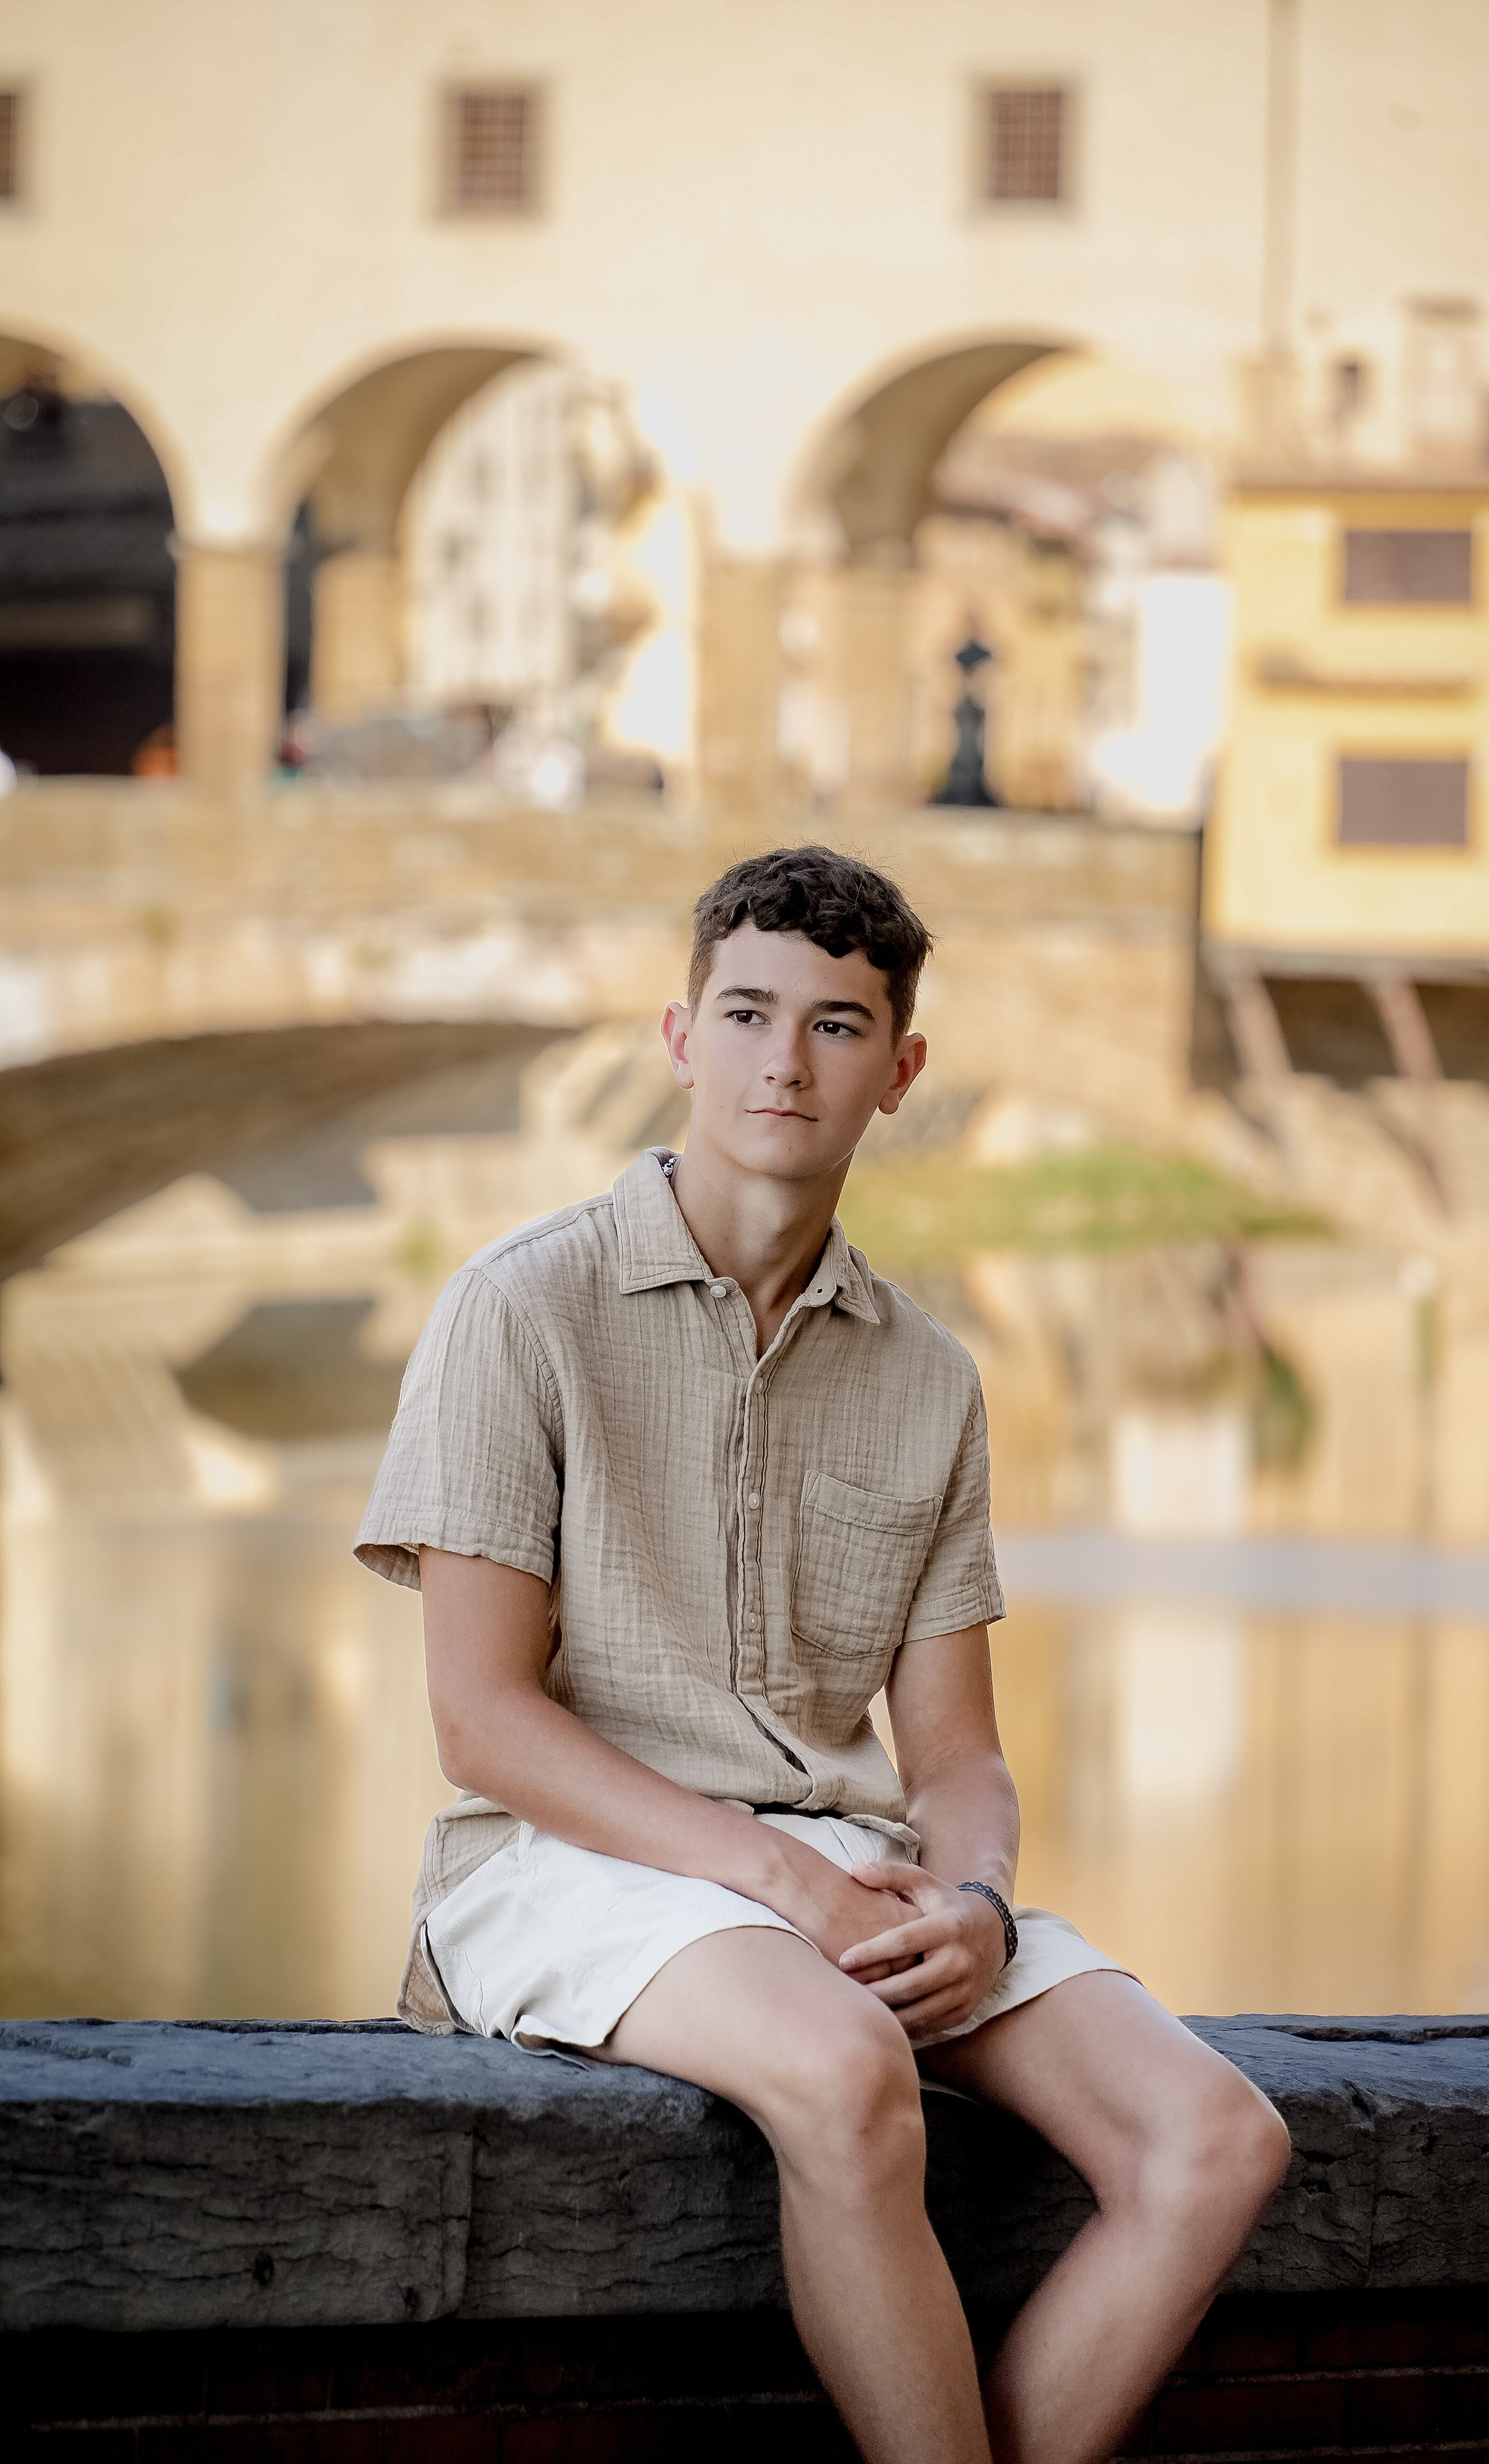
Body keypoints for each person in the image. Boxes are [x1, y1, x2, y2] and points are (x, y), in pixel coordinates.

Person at [356, 844, 1290, 2464]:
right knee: (850, 2066)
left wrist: (978, 1901)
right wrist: (783, 1888)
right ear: (679, 1037)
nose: (784, 1062)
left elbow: (955, 1757)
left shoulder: (930, 1377)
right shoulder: (519, 1309)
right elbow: (482, 1725)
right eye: (746, 1013)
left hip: (844, 1877)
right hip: (562, 1863)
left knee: (1213, 2136)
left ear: (899, 1071)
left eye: (837, 1028)